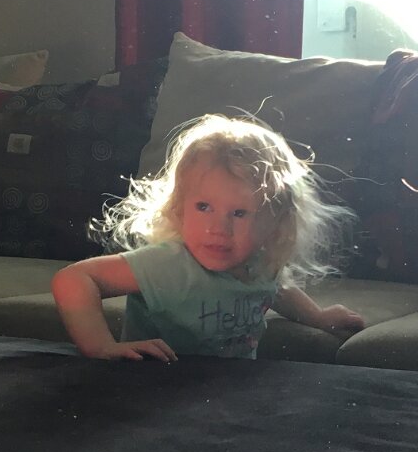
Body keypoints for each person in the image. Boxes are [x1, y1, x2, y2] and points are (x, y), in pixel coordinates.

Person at [51, 114, 366, 361]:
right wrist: (100, 346)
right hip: (154, 389)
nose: (218, 228)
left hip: (227, 392)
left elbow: (277, 290)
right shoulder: (169, 265)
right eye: (203, 207)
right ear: (179, 208)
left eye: (239, 213)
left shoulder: (258, 263)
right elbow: (74, 279)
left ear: (275, 224)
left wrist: (318, 317)